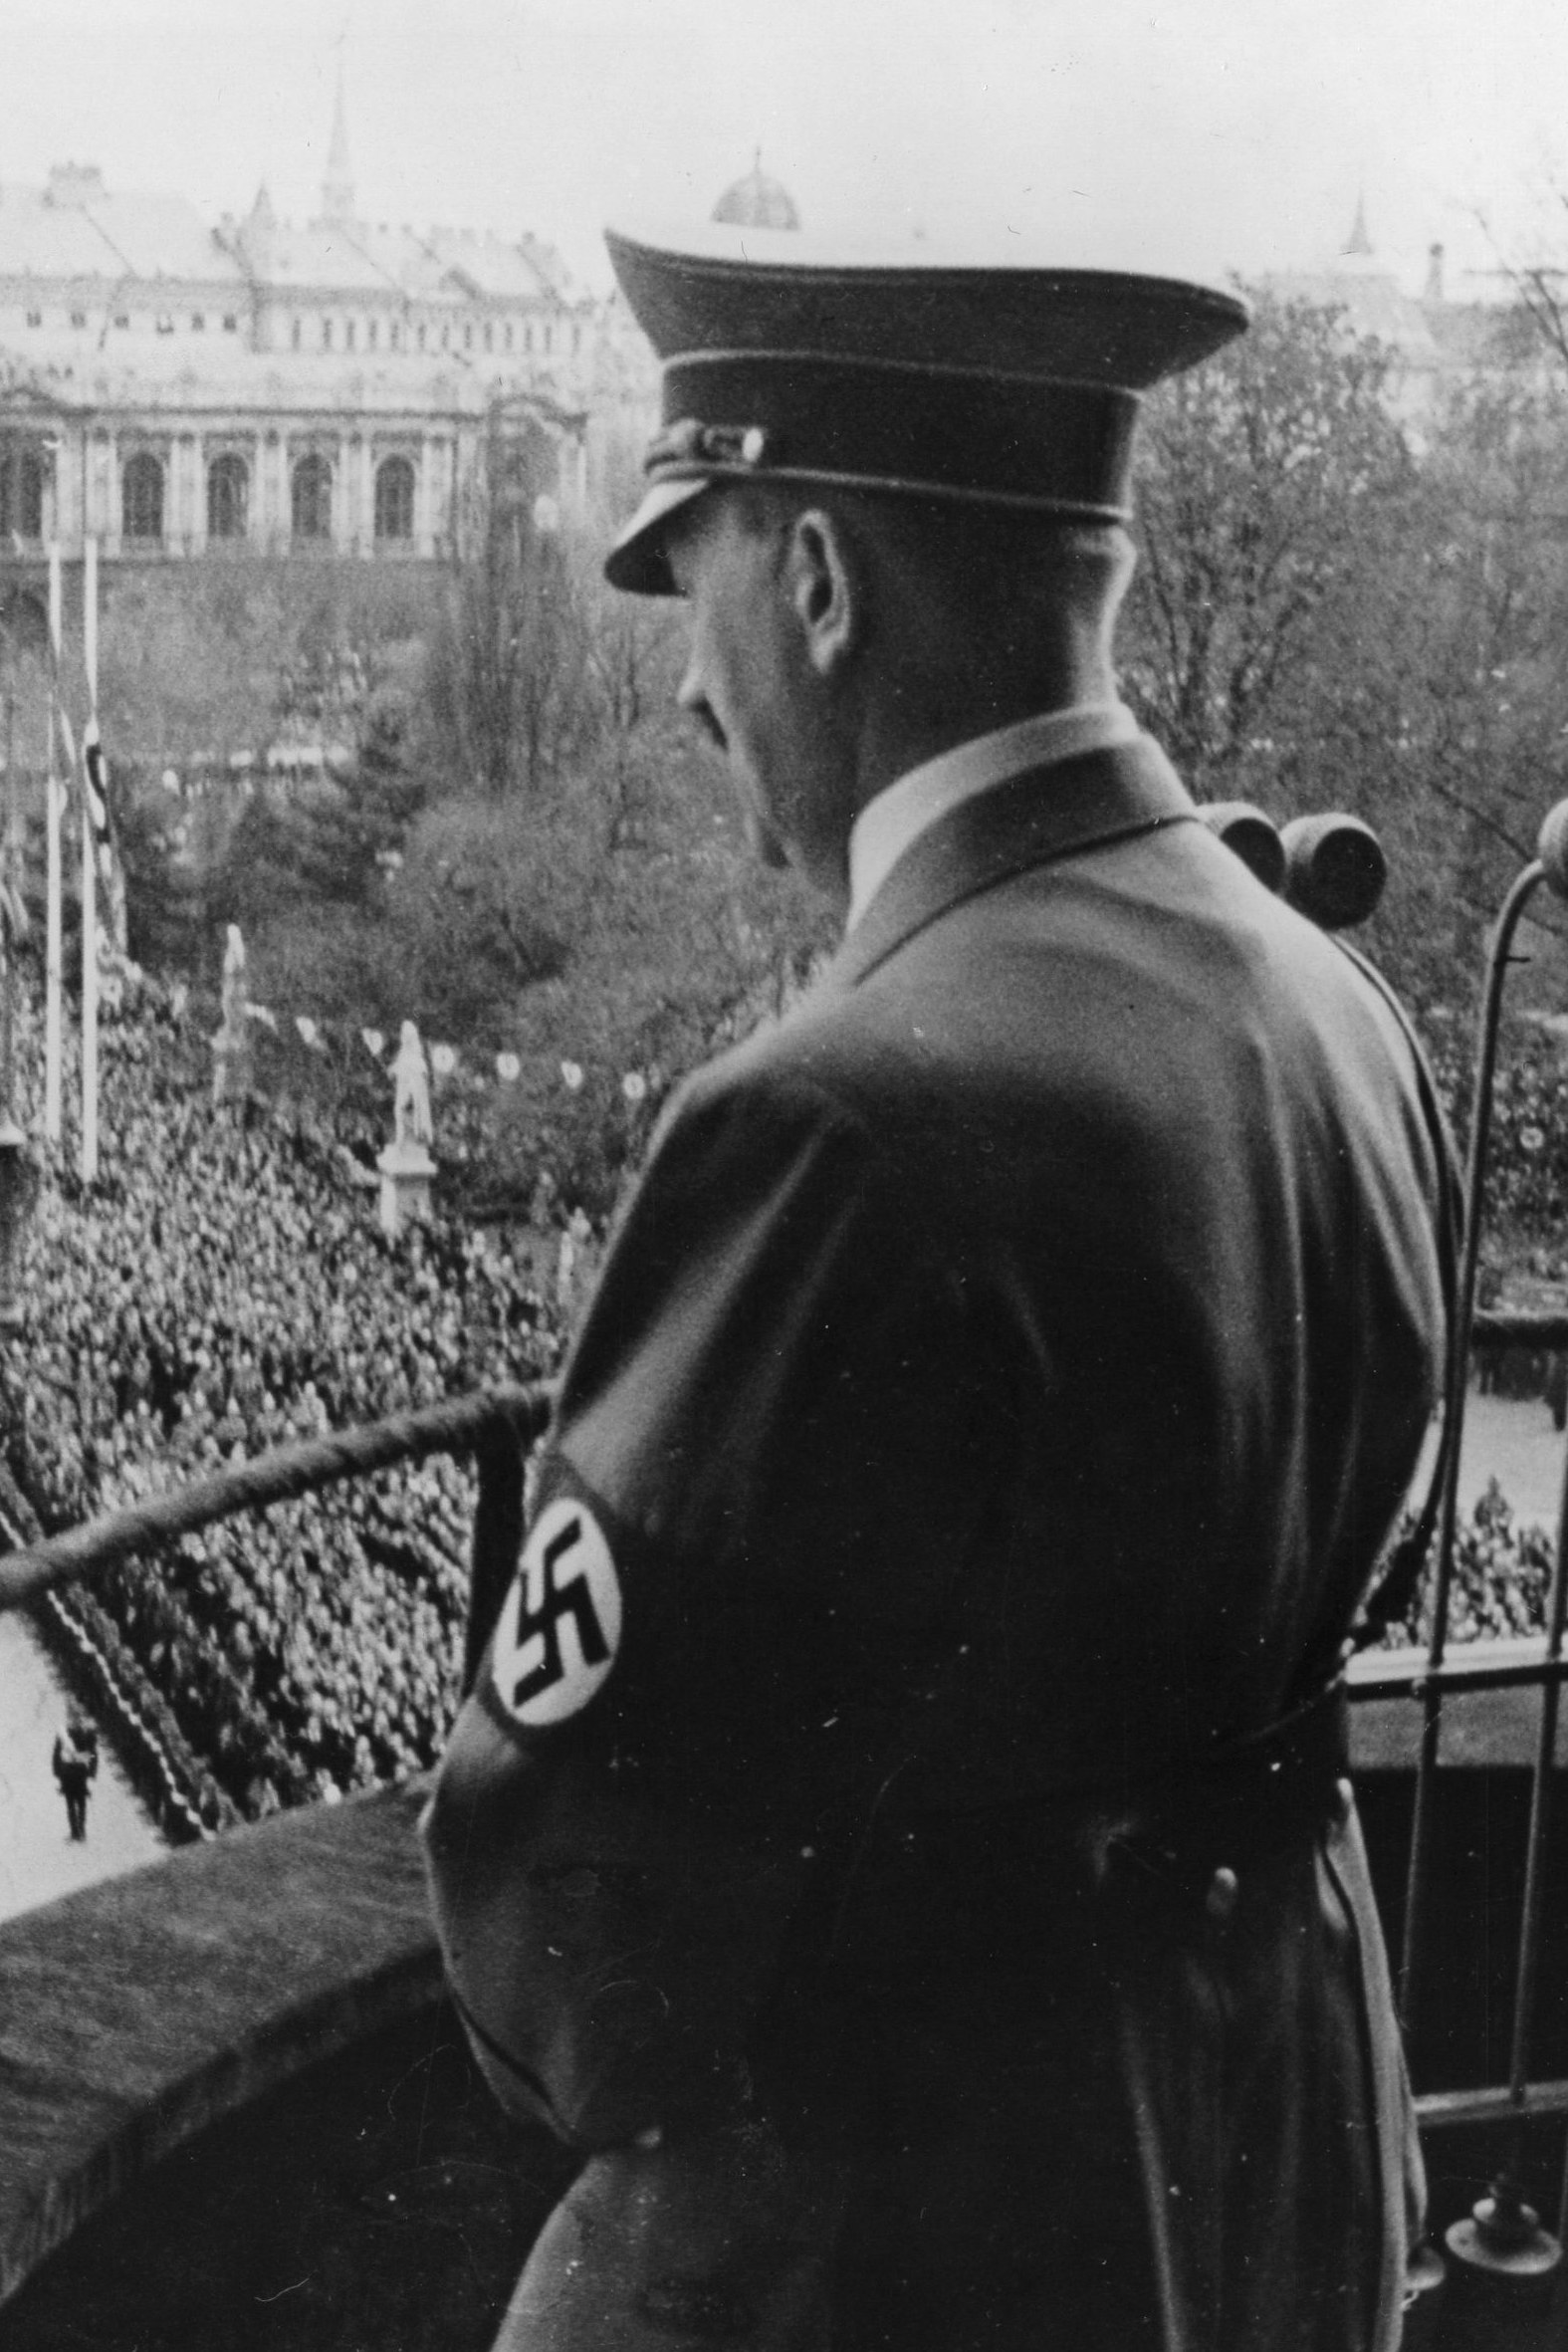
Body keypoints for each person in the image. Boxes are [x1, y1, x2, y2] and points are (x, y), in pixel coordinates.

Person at [423, 223, 1458, 2350]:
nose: (692, 686)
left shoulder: (839, 1118)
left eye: (692, 586)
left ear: (813, 583)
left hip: (936, 2236)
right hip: (1277, 2143)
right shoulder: (1335, 1001)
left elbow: (574, 1932)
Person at [52, 1712, 98, 1841]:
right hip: (72, 1772)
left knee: (76, 1803)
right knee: (74, 1803)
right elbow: (57, 1752)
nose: (74, 1722)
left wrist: (91, 1771)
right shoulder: (75, 1733)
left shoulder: (80, 1733)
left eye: (75, 1719)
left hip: (74, 1772)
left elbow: (92, 1753)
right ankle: (77, 1831)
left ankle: (78, 1831)